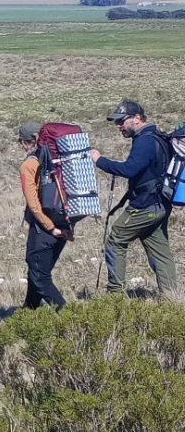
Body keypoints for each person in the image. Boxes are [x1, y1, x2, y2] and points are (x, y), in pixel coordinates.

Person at [90, 100, 178, 298]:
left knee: (115, 240)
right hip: (161, 203)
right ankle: (173, 297)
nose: (119, 126)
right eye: (116, 123)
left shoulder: (145, 141)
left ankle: (114, 296)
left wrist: (99, 160)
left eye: (122, 121)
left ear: (137, 118)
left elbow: (129, 170)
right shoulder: (158, 136)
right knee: (159, 251)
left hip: (144, 206)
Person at [18, 121, 70, 309]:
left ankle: (68, 316)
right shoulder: (59, 161)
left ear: (29, 141)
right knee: (38, 270)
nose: (22, 146)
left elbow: (34, 205)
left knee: (40, 274)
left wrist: (50, 227)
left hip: (45, 228)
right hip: (64, 221)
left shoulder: (29, 165)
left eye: (22, 141)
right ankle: (29, 311)